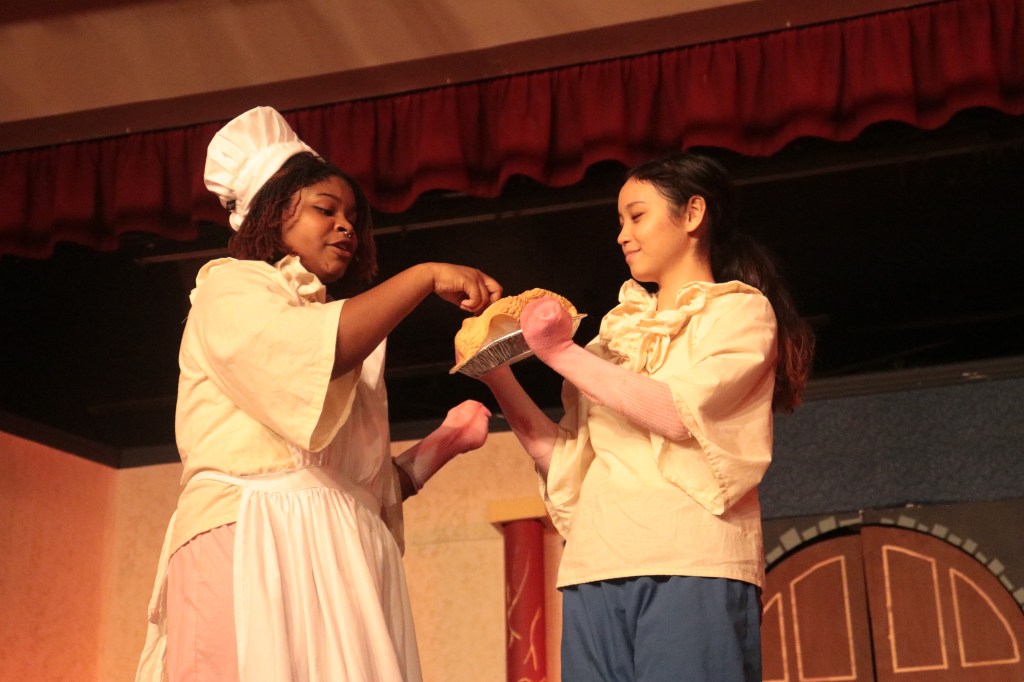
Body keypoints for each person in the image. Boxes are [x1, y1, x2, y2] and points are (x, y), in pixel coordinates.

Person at [135, 106, 502, 682]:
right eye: (325, 210)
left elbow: (360, 488)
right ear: (271, 211)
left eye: (353, 217)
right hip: (255, 535)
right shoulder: (233, 287)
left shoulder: (335, 323)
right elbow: (318, 355)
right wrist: (425, 274)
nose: (346, 227)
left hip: (340, 544)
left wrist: (444, 443)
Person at [480, 152, 814, 681]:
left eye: (636, 216)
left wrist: (560, 352)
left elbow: (678, 414)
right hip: (594, 565)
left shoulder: (738, 312)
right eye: (620, 221)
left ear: (693, 214)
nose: (623, 235)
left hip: (691, 561)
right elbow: (563, 460)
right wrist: (495, 372)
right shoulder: (613, 333)